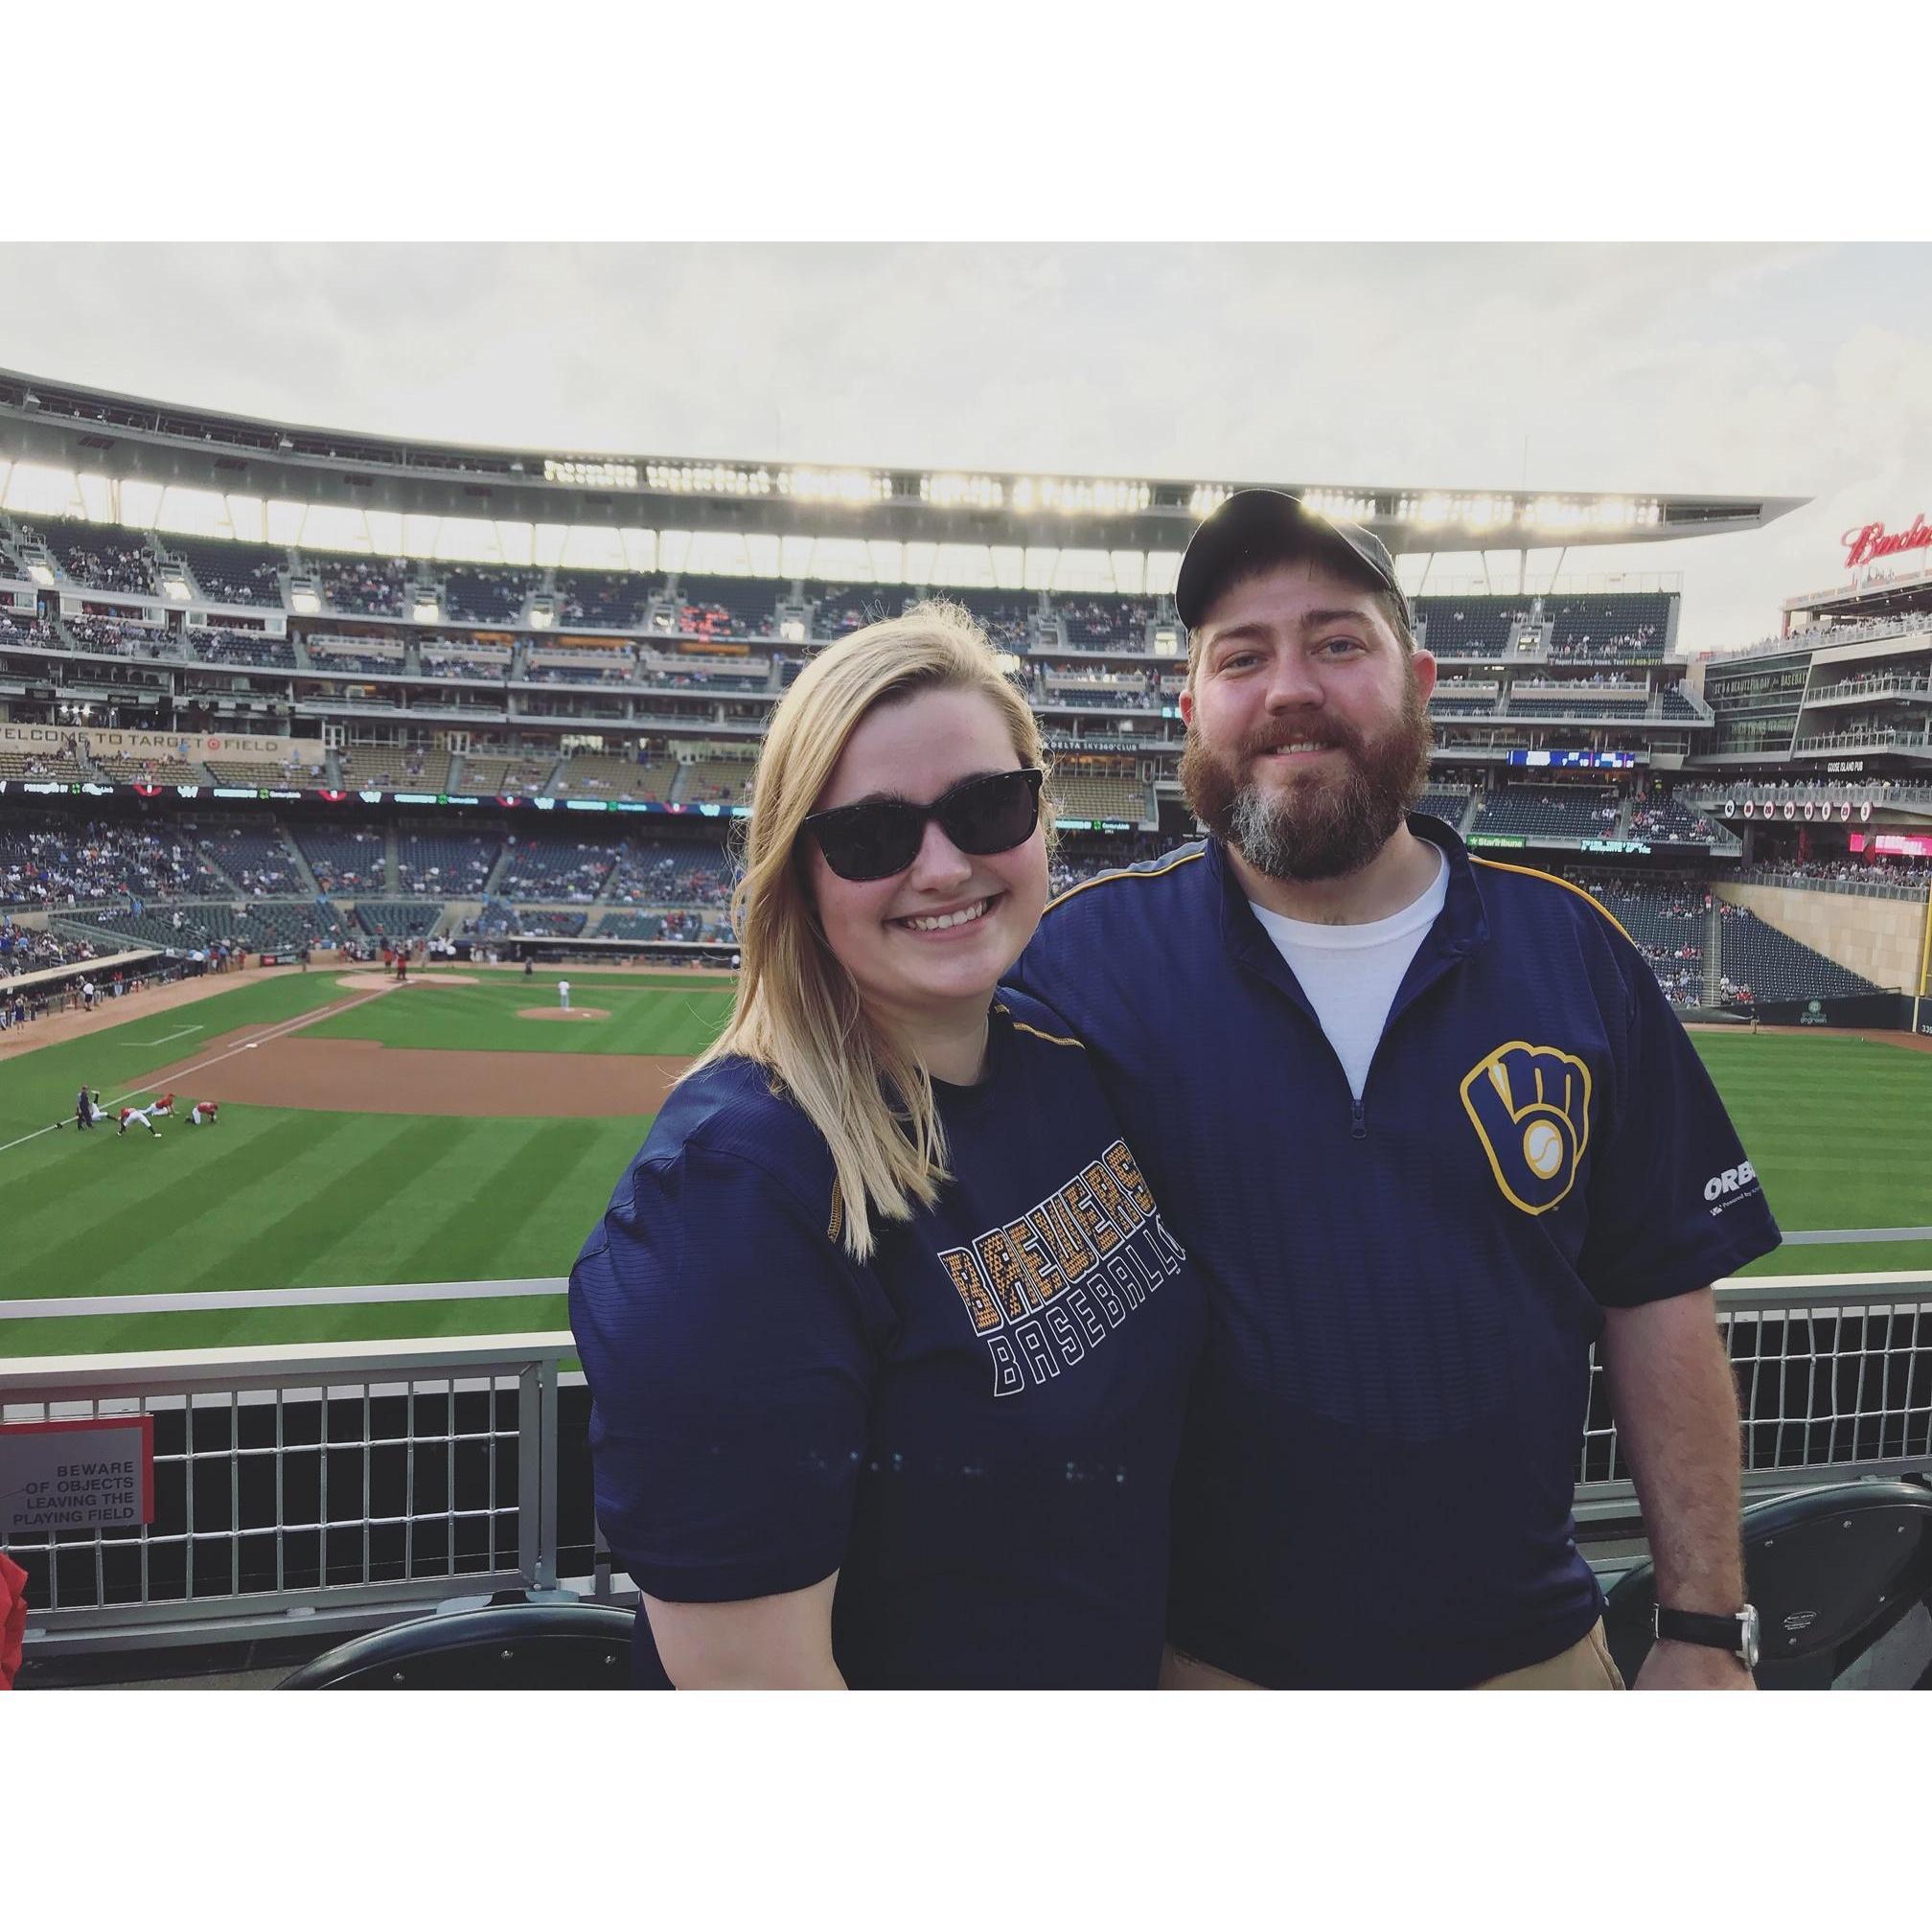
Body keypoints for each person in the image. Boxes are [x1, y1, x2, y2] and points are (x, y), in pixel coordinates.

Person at [1011, 491, 1782, 1690]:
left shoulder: (1577, 954)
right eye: (1242, 656)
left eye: (1337, 642)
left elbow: (1661, 1301)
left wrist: (1702, 1628)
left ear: (1417, 678)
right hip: (1198, 1669)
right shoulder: (1078, 964)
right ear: (1192, 707)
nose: (1289, 689)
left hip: (1533, 1663)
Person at [570, 604, 1205, 1690]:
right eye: (873, 835)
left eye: (988, 806)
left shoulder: (1068, 1066)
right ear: (799, 878)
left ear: (1043, 816)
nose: (945, 866)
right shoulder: (733, 1199)